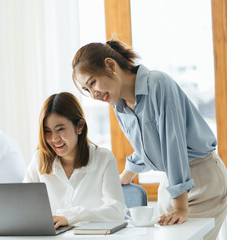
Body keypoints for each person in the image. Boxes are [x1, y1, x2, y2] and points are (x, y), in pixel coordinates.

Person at [72, 39, 227, 239]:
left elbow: (173, 145)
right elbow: (147, 148)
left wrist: (180, 206)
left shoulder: (157, 84)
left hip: (202, 180)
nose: (93, 94)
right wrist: (127, 175)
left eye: (92, 82)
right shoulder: (119, 104)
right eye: (86, 90)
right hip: (172, 183)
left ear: (110, 66)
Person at [24, 92, 126, 229]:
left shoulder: (103, 158)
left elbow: (116, 212)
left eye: (60, 129)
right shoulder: (39, 160)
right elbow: (24, 206)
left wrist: (73, 216)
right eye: (47, 131)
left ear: (79, 126)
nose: (54, 138)